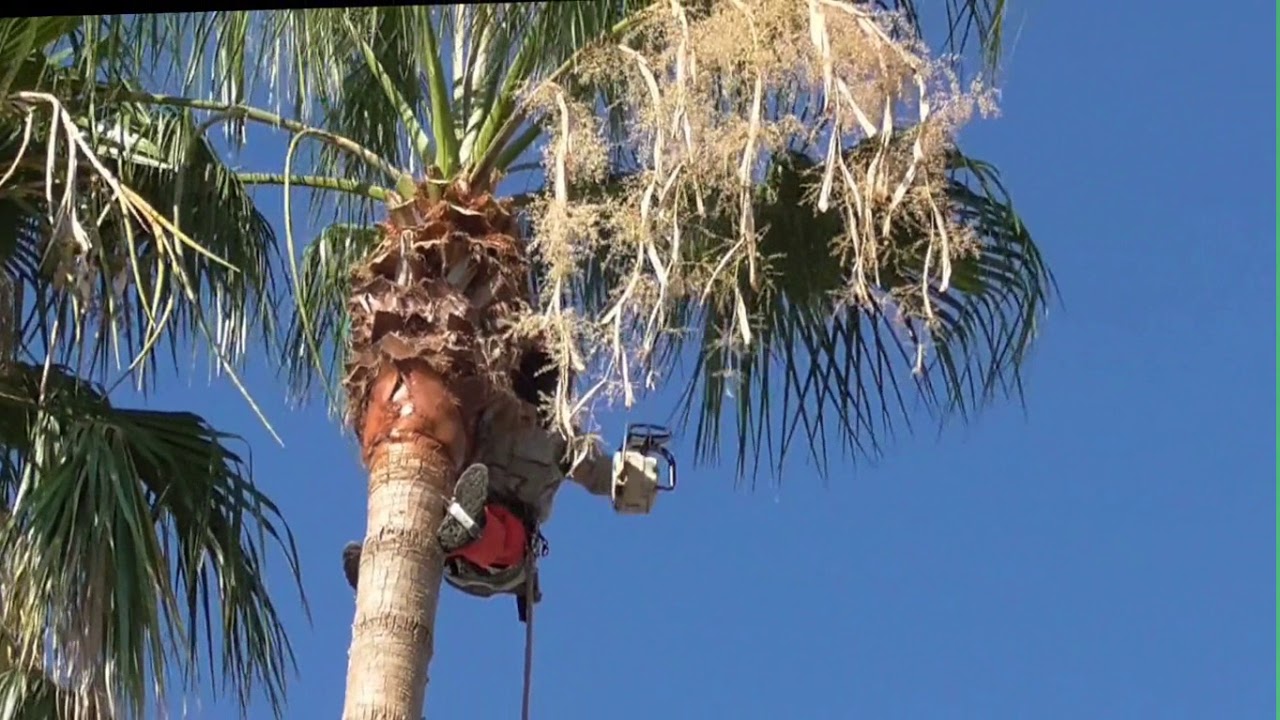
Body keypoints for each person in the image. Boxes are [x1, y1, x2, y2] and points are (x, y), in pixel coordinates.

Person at [342, 346, 623, 620]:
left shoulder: (565, 442)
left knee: (502, 535)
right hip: (455, 525)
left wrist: (630, 475)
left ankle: (464, 528)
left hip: (501, 551)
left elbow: (599, 472)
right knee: (427, 515)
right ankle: (387, 560)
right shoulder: (496, 403)